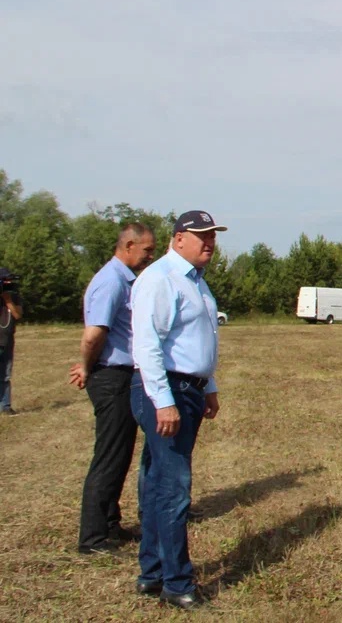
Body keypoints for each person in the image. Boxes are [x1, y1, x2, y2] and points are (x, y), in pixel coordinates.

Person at [130, 210, 226, 609]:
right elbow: (148, 346)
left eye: (213, 237)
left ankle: (152, 573)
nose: (209, 243)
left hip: (188, 389)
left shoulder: (196, 283)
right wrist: (164, 401)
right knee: (173, 488)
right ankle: (177, 583)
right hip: (165, 390)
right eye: (201, 236)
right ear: (179, 238)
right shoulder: (160, 279)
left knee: (158, 483)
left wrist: (209, 387)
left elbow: (198, 341)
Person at [70, 223, 157, 555]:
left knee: (120, 454)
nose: (150, 256)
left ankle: (109, 525)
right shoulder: (110, 282)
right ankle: (91, 538)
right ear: (129, 246)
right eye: (147, 250)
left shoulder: (123, 280)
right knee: (109, 456)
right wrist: (87, 367)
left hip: (119, 374)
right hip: (112, 376)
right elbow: (94, 334)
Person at [0, 266, 23, 416]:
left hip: (7, 341)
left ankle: (5, 405)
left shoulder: (14, 297)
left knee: (5, 375)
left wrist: (8, 300)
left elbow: (18, 315)